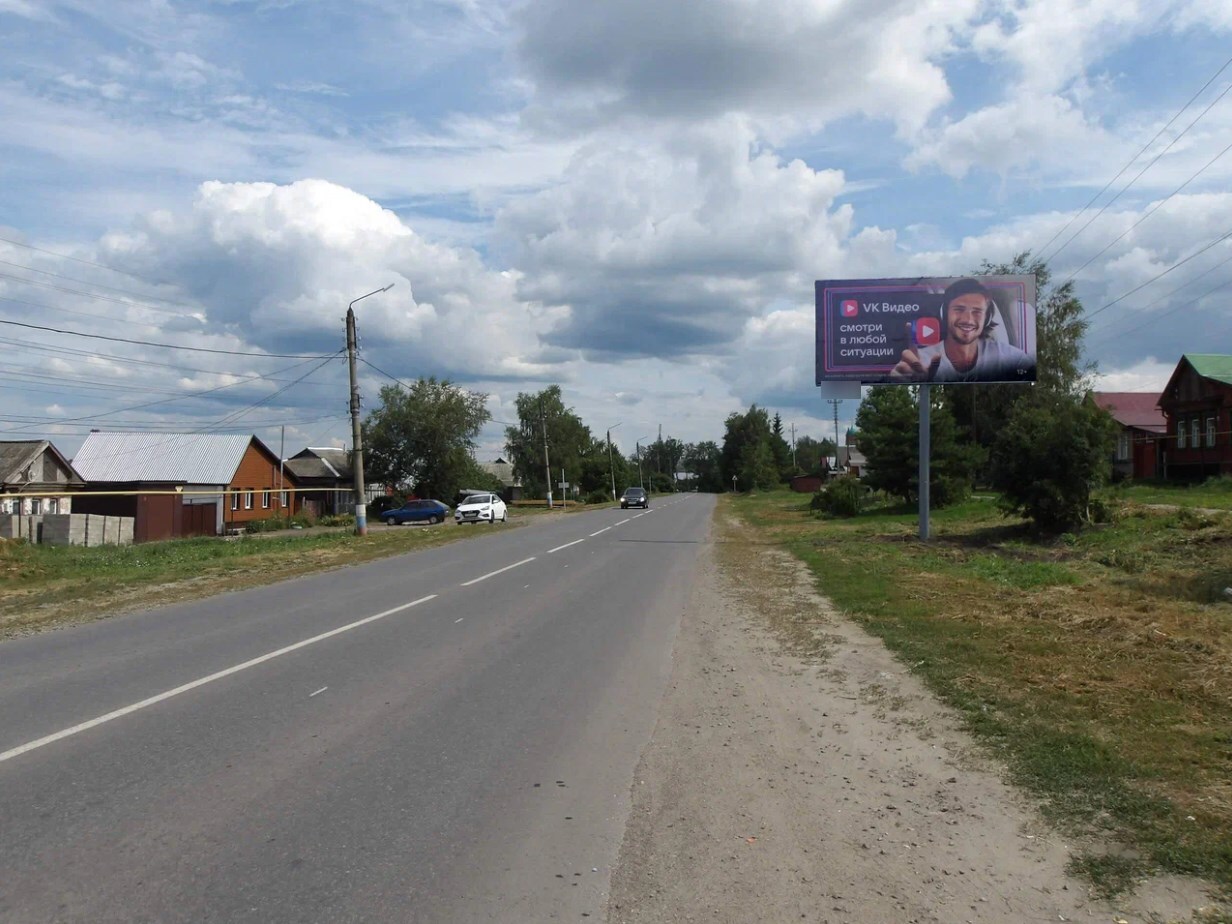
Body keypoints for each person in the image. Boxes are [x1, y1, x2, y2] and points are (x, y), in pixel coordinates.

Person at [890, 278, 1033, 383]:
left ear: (987, 318)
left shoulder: (1012, 359)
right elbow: (904, 377)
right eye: (959, 309)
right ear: (944, 314)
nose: (968, 319)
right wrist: (901, 381)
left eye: (977, 311)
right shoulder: (920, 362)